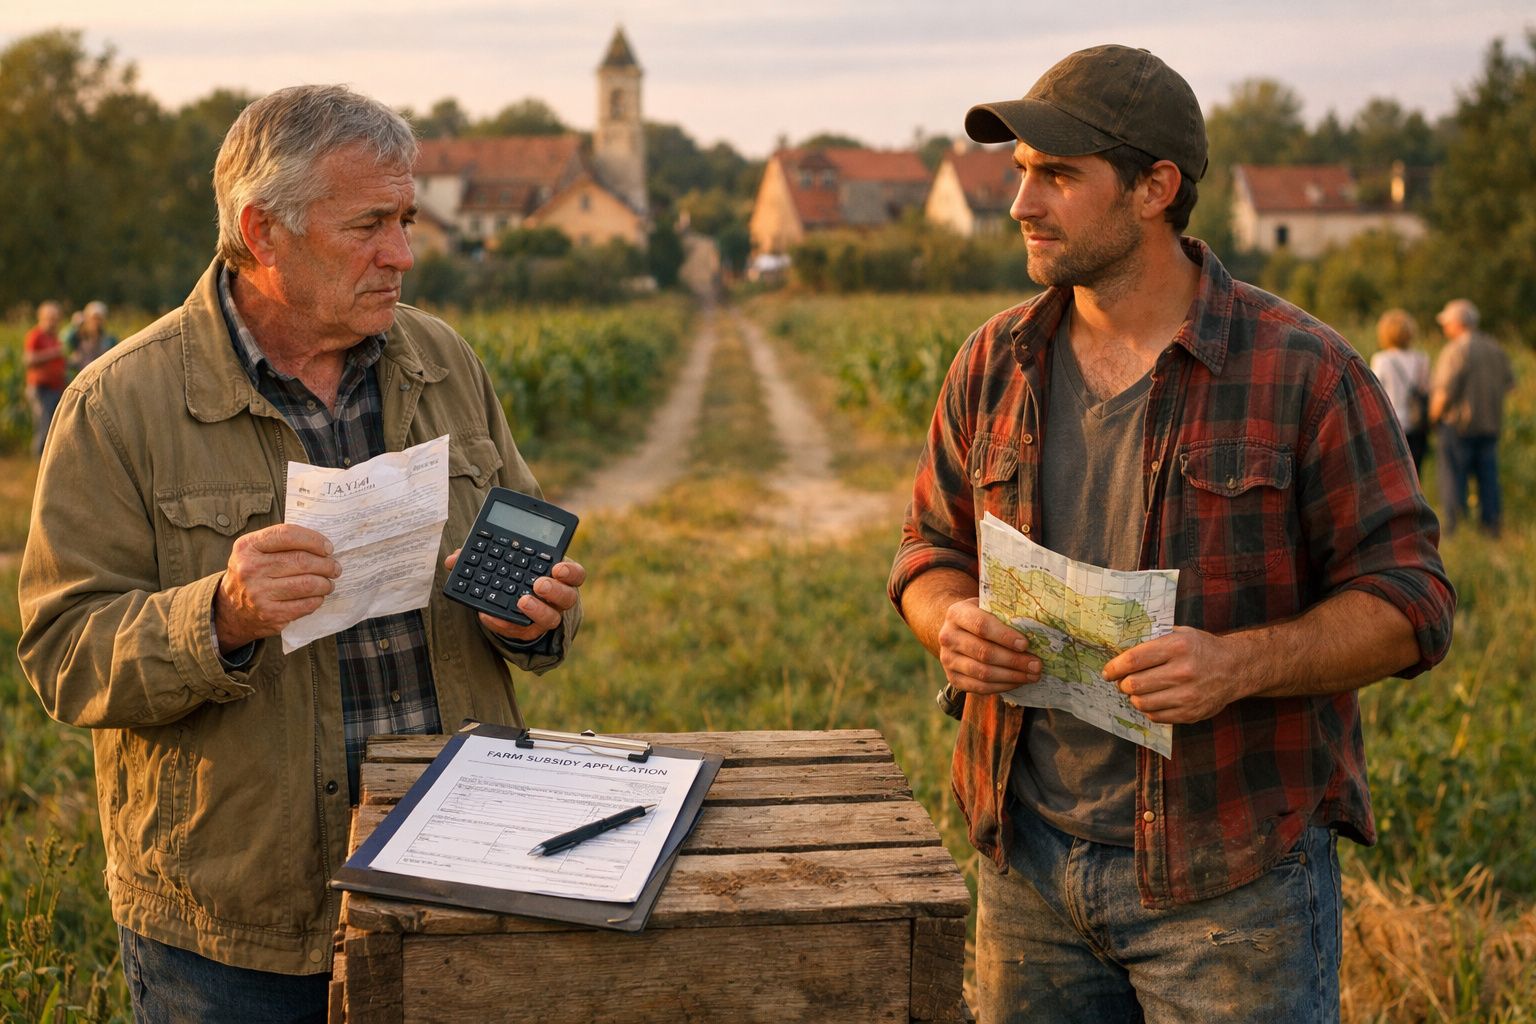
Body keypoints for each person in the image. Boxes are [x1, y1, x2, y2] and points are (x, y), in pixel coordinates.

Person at [888, 45, 1455, 1023]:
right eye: (1021, 171)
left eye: (1057, 175)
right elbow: (926, 549)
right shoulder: (993, 361)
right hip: (1027, 863)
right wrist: (950, 623)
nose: (1021, 202)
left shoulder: (1306, 372)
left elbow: (1413, 601)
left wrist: (1237, 665)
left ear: (1156, 188)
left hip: (1233, 882)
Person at [19, 85, 585, 1023]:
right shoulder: (117, 406)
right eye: (368, 225)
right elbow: (62, 655)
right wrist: (219, 616)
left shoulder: (445, 363)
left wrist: (533, 618)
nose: (402, 253)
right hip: (238, 930)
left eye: (405, 220)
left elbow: (527, 556)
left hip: (459, 876)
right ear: (263, 232)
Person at [1429, 298, 1515, 536]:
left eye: (1447, 323)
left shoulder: (1455, 350)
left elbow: (1444, 392)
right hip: (1490, 424)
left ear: (1458, 323)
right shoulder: (1495, 348)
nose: (1445, 328)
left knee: (1453, 479)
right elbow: (1510, 384)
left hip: (1458, 425)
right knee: (1488, 479)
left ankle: (1455, 529)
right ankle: (1491, 526)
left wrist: (1433, 418)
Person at [1369, 308, 1432, 474]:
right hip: (1417, 425)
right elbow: (1426, 390)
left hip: (1392, 424)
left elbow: (1374, 394)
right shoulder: (1422, 359)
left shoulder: (1382, 360)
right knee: (1415, 474)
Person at [22, 300, 67, 458]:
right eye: (50, 318)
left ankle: (49, 458)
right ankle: (40, 459)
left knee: (54, 424)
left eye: (56, 318)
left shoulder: (55, 337)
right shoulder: (35, 336)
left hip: (56, 387)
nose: (53, 322)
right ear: (41, 318)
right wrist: (54, 353)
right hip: (40, 388)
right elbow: (28, 359)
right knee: (44, 424)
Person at [62, 299, 118, 375]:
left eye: (99, 319)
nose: (96, 322)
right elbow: (64, 340)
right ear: (86, 318)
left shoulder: (110, 339)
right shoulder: (77, 337)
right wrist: (75, 325)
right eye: (93, 318)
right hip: (79, 377)